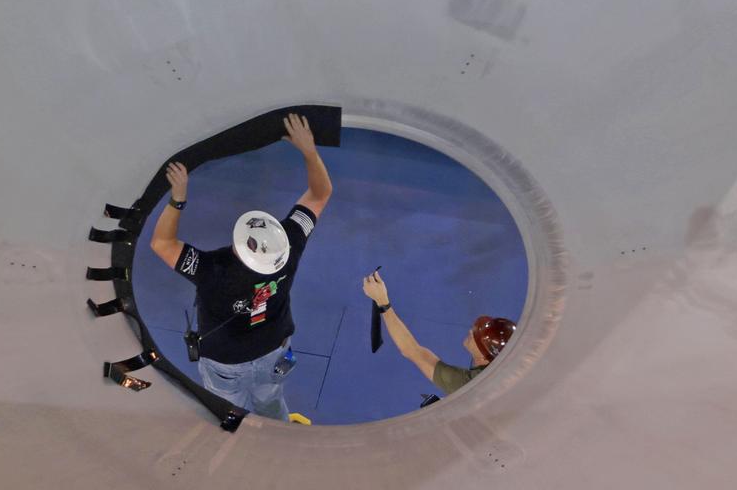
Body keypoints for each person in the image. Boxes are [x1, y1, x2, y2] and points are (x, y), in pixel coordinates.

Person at [150, 113, 332, 420]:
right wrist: (310, 151)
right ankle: (278, 438)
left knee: (226, 409)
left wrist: (177, 200)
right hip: (274, 350)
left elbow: (162, 244)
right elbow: (320, 194)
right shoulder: (289, 245)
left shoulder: (213, 270)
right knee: (271, 400)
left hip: (225, 364)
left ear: (239, 248)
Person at [361, 270, 516, 396]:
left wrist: (382, 301)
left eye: (475, 336)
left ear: (483, 357)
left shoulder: (470, 385)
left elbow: (412, 351)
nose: (471, 330)